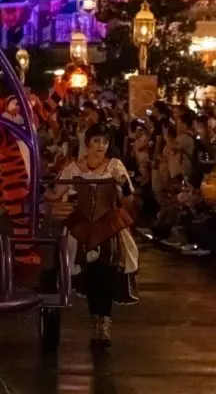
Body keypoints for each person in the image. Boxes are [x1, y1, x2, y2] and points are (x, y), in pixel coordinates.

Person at [46, 122, 139, 348]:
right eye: (97, 141)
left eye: (105, 141)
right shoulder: (73, 168)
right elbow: (55, 193)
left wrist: (123, 188)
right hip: (82, 227)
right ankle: (94, 322)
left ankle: (104, 325)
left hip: (108, 226)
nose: (101, 146)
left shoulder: (115, 166)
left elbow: (128, 200)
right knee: (89, 275)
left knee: (106, 273)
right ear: (87, 142)